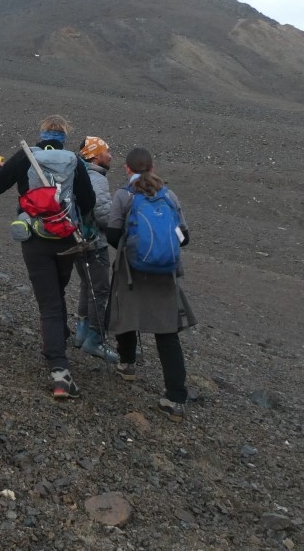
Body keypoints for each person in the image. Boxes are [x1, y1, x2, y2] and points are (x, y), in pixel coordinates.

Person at [0, 115, 96, 400]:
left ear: (41, 134)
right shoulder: (73, 160)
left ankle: (59, 371)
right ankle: (57, 345)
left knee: (48, 302)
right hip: (65, 238)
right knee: (57, 293)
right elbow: (89, 201)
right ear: (64, 136)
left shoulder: (26, 156)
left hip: (34, 238)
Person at [106, 146, 197, 421]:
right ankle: (175, 398)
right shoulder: (169, 196)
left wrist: (133, 250)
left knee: (127, 315)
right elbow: (184, 237)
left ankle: (127, 364)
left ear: (127, 169)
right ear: (153, 167)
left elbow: (112, 233)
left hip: (132, 272)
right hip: (165, 275)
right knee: (167, 334)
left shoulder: (124, 196)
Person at [71, 136, 118, 363]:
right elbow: (103, 213)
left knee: (86, 285)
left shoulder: (77, 173)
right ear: (96, 155)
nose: (110, 155)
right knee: (99, 290)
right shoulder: (96, 178)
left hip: (76, 240)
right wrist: (119, 226)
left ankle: (81, 333)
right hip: (94, 243)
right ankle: (94, 340)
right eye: (106, 151)